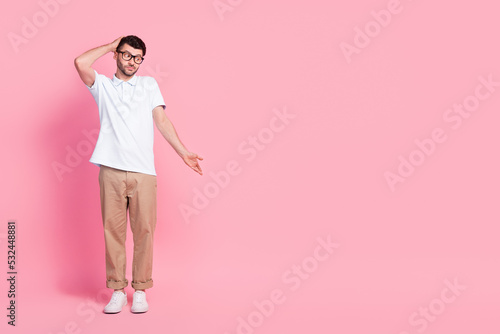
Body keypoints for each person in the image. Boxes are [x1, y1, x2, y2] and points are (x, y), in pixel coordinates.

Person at [74, 35, 203, 314]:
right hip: (110, 169)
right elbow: (80, 62)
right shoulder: (103, 86)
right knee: (113, 232)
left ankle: (141, 290)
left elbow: (161, 119)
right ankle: (118, 290)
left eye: (137, 57)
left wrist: (183, 152)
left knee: (144, 231)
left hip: (144, 171)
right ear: (117, 55)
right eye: (126, 55)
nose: (132, 61)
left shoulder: (148, 85)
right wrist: (110, 44)